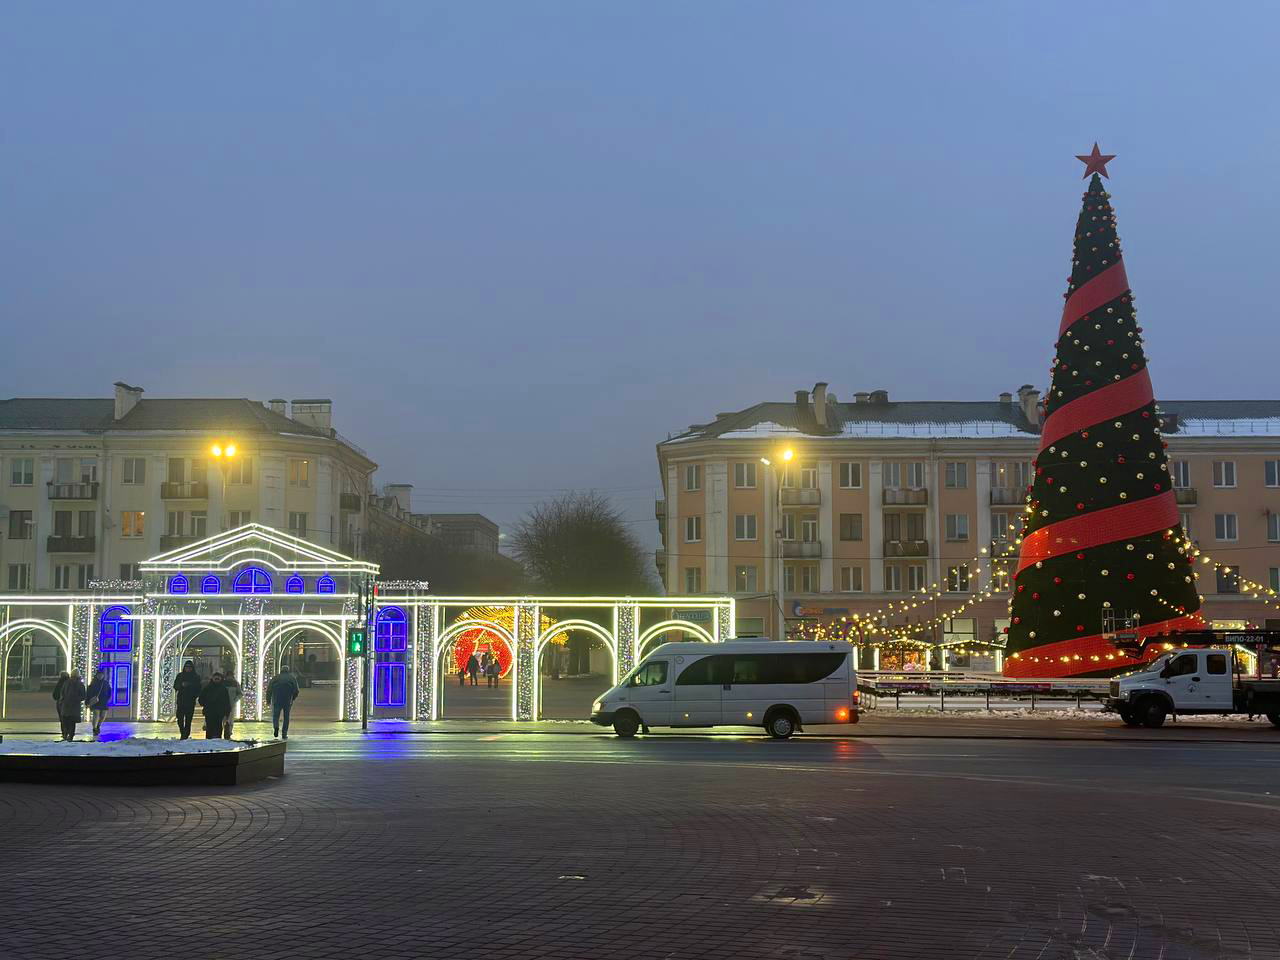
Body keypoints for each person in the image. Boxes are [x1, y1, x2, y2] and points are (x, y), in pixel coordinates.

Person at [266, 665, 300, 739]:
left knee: (276, 715)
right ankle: (284, 733)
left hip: (277, 699)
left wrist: (268, 700)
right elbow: (296, 690)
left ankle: (276, 726)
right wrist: (293, 698)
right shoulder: (291, 678)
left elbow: (269, 689)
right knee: (286, 717)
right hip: (287, 700)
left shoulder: (276, 677)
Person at [197, 673, 232, 740]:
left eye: (218, 678)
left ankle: (216, 740)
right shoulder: (208, 688)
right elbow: (201, 698)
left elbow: (226, 701)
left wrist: (227, 712)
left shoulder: (223, 689)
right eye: (215, 678)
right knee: (210, 727)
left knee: (218, 727)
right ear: (212, 679)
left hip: (219, 712)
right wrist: (206, 704)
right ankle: (211, 740)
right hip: (210, 711)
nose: (216, 680)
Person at [172, 662, 202, 739]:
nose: (188, 668)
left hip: (190, 700)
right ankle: (183, 732)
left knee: (188, 719)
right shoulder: (180, 676)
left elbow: (198, 688)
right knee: (180, 718)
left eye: (189, 667)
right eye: (186, 667)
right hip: (181, 700)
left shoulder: (195, 677)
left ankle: (185, 734)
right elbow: (175, 686)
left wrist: (194, 694)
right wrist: (181, 685)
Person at [57, 670, 86, 741]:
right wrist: (77, 699)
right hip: (74, 706)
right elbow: (83, 696)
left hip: (66, 705)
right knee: (72, 722)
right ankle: (70, 736)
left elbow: (62, 693)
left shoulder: (67, 682)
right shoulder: (79, 684)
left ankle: (66, 735)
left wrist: (62, 700)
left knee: (66, 721)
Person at [84, 665, 112, 739]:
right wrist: (87, 702)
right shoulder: (93, 683)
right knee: (96, 715)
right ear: (96, 675)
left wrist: (108, 698)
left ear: (103, 675)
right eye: (99, 675)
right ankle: (94, 728)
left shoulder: (105, 683)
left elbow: (109, 691)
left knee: (103, 716)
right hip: (95, 702)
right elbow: (88, 693)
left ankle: (98, 725)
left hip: (103, 702)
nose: (100, 676)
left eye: (101, 675)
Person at [222, 670, 243, 739]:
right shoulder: (223, 683)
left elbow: (240, 693)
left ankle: (229, 732)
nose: (229, 677)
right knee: (223, 719)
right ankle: (224, 731)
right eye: (228, 676)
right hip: (223, 704)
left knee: (230, 720)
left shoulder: (235, 683)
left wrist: (235, 700)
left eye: (230, 676)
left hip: (231, 704)